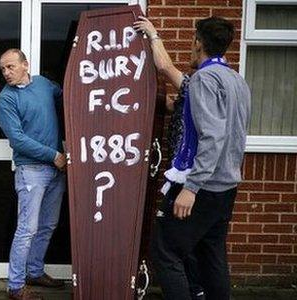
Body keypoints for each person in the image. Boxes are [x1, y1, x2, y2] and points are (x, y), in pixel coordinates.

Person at [134, 16, 251, 300]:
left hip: (201, 186)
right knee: (212, 256)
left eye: (192, 40)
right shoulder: (237, 80)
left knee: (165, 253)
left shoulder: (203, 80)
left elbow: (213, 136)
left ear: (198, 42)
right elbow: (234, 135)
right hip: (225, 187)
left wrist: (191, 188)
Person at [0, 48, 67, 300]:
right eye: (3, 68)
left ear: (25, 65)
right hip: (32, 171)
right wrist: (54, 155)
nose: (6, 72)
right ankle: (15, 286)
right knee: (27, 229)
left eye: (11, 66)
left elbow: (69, 98)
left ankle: (35, 272)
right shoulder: (6, 99)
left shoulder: (45, 85)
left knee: (48, 225)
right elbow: (18, 140)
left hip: (56, 170)